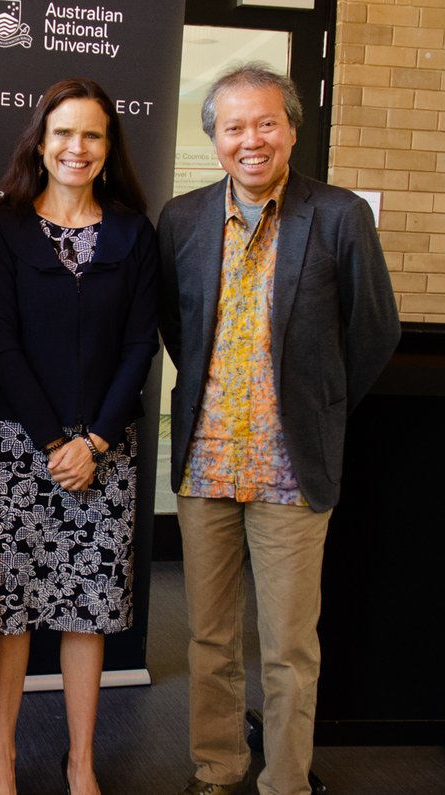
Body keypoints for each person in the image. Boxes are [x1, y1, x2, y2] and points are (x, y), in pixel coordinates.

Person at [157, 63, 400, 795]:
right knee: (209, 637)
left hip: (293, 468)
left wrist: (317, 405)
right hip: (204, 461)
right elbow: (179, 326)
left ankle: (286, 781)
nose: (251, 140)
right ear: (214, 139)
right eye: (234, 127)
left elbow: (374, 329)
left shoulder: (338, 215)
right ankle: (218, 765)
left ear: (293, 129)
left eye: (267, 123)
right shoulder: (183, 218)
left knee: (290, 647)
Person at [0, 78, 158, 795]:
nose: (76, 147)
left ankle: (81, 760)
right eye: (64, 134)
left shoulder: (133, 231)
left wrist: (98, 441)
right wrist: (54, 440)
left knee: (90, 610)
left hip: (108, 450)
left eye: (92, 135)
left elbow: (142, 345)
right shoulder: (6, 226)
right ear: (40, 144)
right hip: (21, 449)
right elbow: (1, 340)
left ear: (108, 149)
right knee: (14, 608)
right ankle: (1, 757)